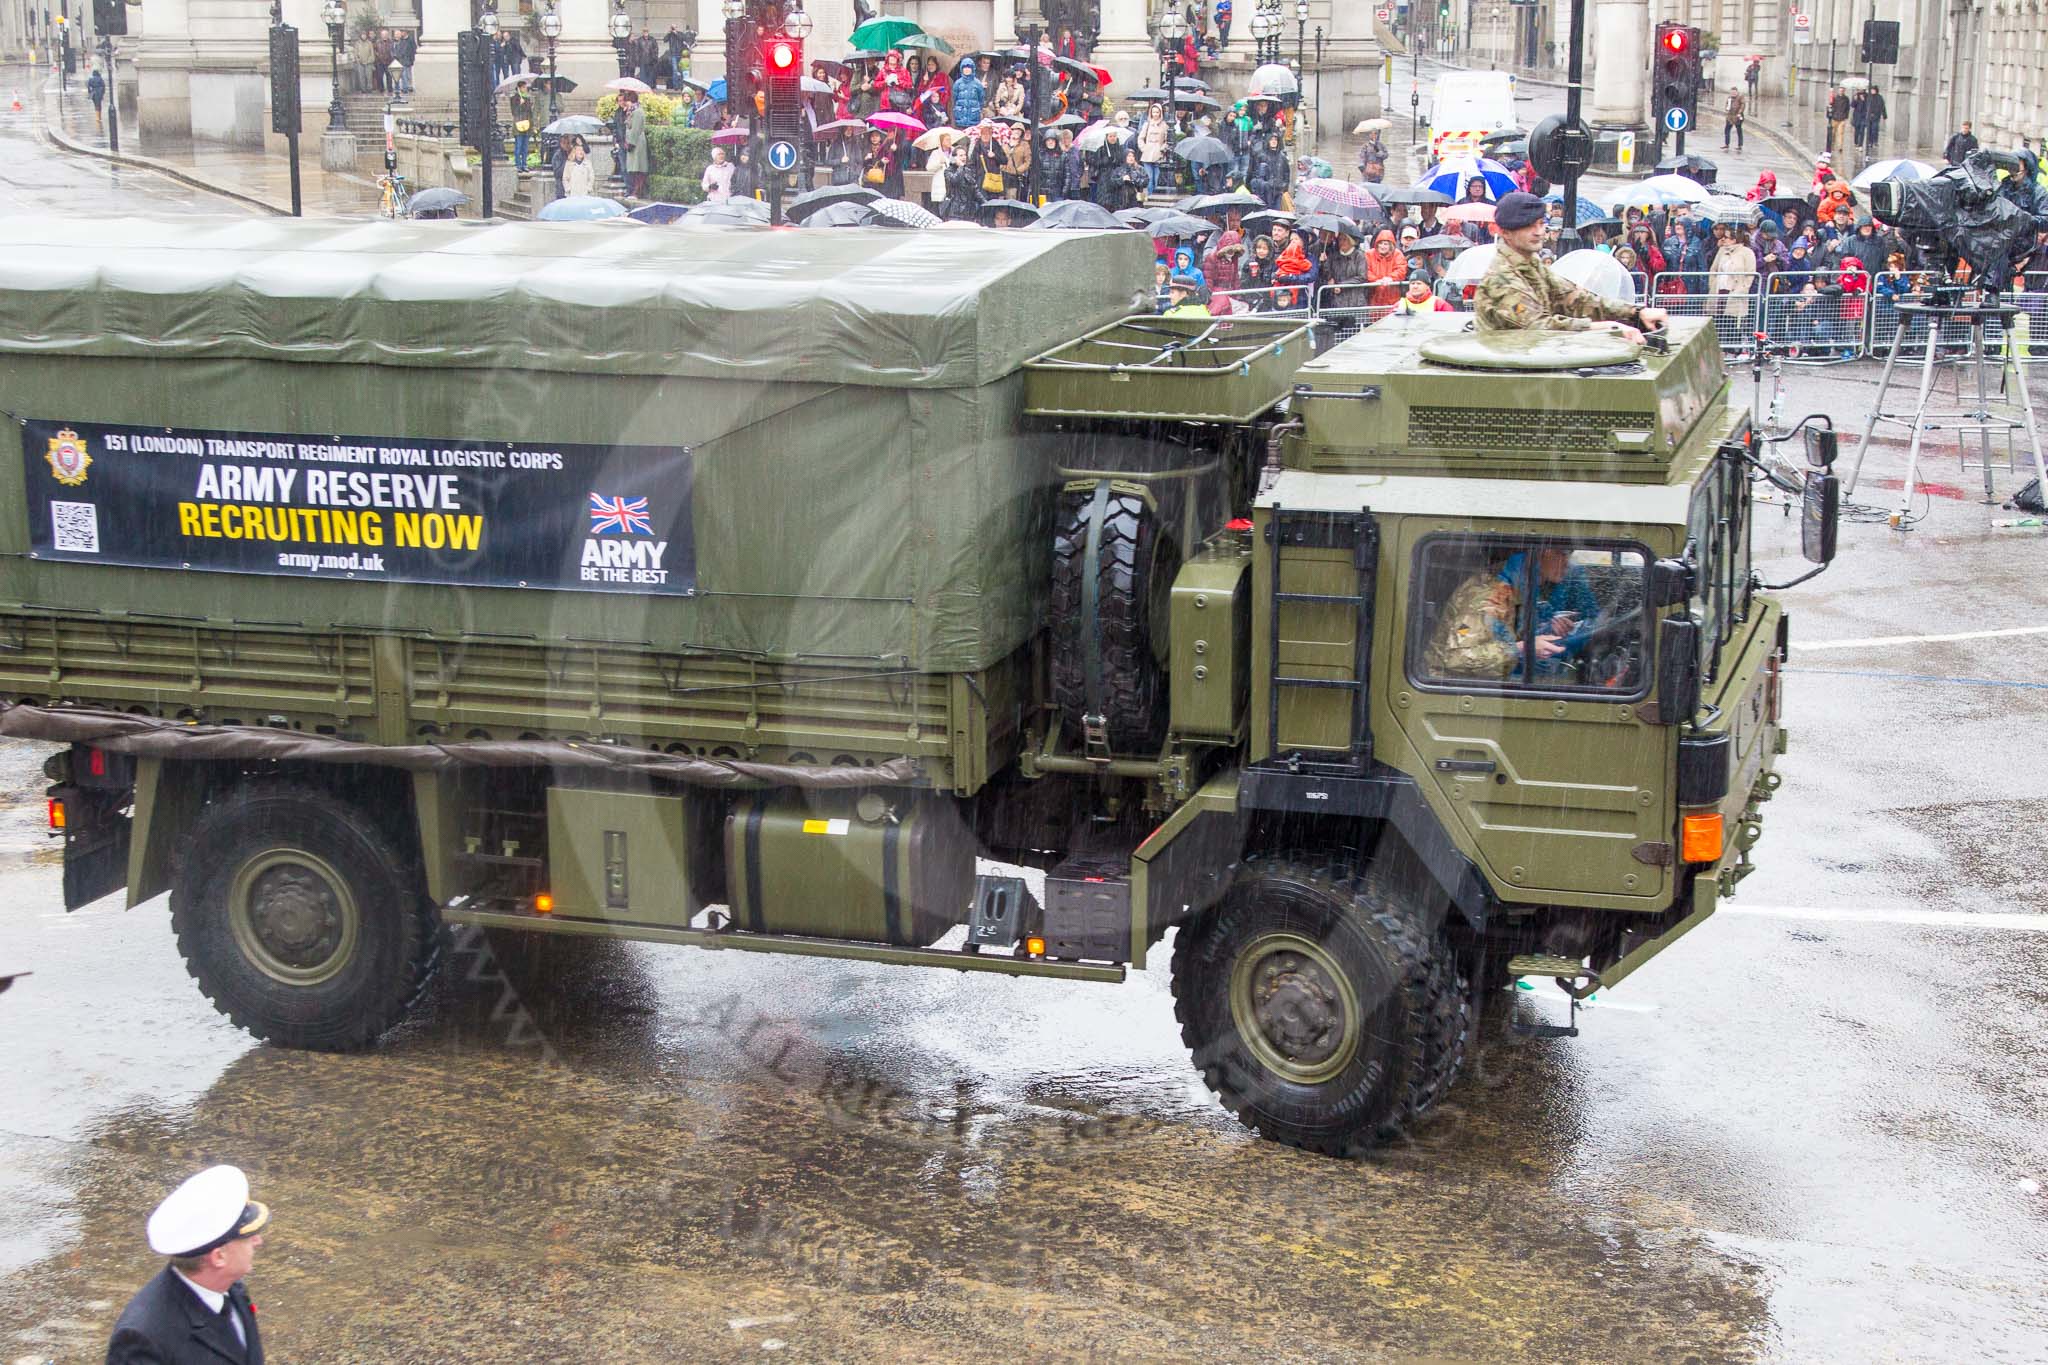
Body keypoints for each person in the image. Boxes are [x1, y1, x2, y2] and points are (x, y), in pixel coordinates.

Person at [107, 1164, 271, 1365]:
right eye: (247, 1237)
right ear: (218, 1257)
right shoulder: (143, 1338)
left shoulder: (231, 1289)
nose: (258, 1241)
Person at [1475, 192, 1668, 339]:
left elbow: (1575, 298)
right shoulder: (1502, 278)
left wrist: (1636, 312)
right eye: (1528, 226)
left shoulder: (1531, 265)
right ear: (1507, 232)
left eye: (1541, 223)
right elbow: (1538, 328)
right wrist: (1608, 328)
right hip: (1508, 374)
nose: (1538, 232)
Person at [1426, 548, 1602, 680]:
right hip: (1455, 689)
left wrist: (1546, 630)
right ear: (1542, 552)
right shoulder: (1491, 596)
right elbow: (1456, 657)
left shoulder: (1521, 581)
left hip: (1486, 683)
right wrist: (1523, 648)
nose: (1567, 562)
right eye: (1562, 553)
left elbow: (1501, 632)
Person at [620, 91, 649, 198]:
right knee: (633, 169)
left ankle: (637, 192)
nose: (625, 104)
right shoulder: (631, 111)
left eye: (627, 101)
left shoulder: (638, 112)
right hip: (632, 142)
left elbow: (636, 129)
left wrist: (630, 143)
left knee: (638, 168)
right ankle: (635, 191)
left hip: (637, 143)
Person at [1138, 102, 1170, 194]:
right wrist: (1143, 148)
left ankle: (1156, 196)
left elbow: (1167, 140)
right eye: (1153, 112)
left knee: (1157, 178)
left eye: (1157, 112)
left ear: (1160, 113)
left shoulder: (1164, 125)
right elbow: (1140, 138)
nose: (1155, 114)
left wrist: (1163, 148)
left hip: (1159, 155)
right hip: (1147, 154)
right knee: (1149, 177)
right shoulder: (1147, 124)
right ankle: (1149, 196)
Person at [951, 59, 985, 129]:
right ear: (961, 69)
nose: (967, 69)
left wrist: (977, 110)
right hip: (960, 117)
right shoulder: (957, 83)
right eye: (965, 67)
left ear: (972, 69)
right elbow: (954, 99)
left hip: (973, 118)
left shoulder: (977, 83)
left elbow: (981, 99)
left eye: (969, 67)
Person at [507, 86, 534, 171]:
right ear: (518, 88)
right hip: (518, 125)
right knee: (518, 146)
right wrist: (520, 104)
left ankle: (524, 164)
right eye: (523, 87)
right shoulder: (514, 99)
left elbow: (530, 113)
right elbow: (514, 112)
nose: (525, 88)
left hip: (527, 125)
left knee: (525, 147)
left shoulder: (527, 98)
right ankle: (518, 165)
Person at [1826, 85, 1850, 155]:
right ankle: (1832, 144)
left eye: (1842, 90)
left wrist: (1846, 116)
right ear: (1838, 91)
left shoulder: (1846, 99)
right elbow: (1830, 105)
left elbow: (1847, 108)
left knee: (1840, 133)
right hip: (1835, 117)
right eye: (1840, 90)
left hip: (1842, 118)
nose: (1841, 92)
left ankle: (1840, 146)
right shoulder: (1835, 98)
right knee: (1833, 133)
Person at [1723, 86, 1745, 151]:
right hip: (1730, 116)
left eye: (1734, 92)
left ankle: (1740, 145)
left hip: (1737, 116)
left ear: (1737, 92)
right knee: (1727, 130)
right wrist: (1726, 109)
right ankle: (1726, 144)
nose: (1733, 94)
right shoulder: (1729, 98)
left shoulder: (1741, 97)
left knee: (1739, 130)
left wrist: (1740, 112)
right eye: (1732, 92)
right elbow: (1727, 105)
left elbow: (1743, 105)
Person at [396, 27, 416, 97]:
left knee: (408, 74)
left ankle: (409, 86)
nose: (401, 33)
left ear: (406, 32)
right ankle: (405, 87)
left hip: (408, 60)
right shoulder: (401, 40)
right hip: (401, 60)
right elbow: (398, 49)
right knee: (403, 74)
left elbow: (414, 49)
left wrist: (412, 59)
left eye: (402, 32)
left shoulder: (410, 40)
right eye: (401, 32)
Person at [86, 64, 105, 131]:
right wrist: (103, 93)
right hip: (99, 92)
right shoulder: (100, 78)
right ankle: (99, 116)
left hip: (93, 93)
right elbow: (103, 86)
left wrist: (89, 93)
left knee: (95, 104)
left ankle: (97, 117)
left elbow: (88, 86)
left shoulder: (91, 79)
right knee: (99, 104)